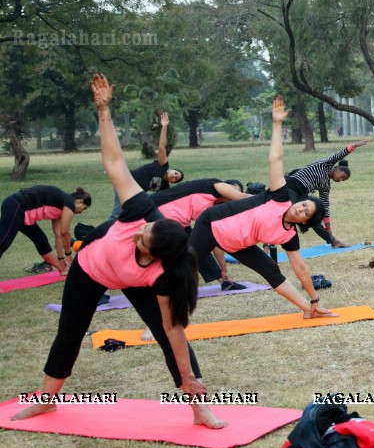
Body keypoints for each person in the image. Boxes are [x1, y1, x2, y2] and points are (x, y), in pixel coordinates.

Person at [13, 74, 224, 429]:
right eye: (144, 228)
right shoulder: (141, 210)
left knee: (165, 333)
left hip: (132, 280)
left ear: (156, 257)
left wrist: (189, 379)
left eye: (142, 239)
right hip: (90, 267)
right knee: (69, 329)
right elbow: (114, 162)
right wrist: (103, 111)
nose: (138, 232)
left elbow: (174, 331)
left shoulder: (162, 276)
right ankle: (46, 401)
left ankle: (199, 407)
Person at [187, 96, 338, 319]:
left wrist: (315, 299)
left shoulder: (289, 236)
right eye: (303, 205)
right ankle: (157, 321)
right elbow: (275, 159)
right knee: (185, 270)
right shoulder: (280, 196)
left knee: (272, 271)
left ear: (305, 222)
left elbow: (301, 269)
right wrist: (277, 125)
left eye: (305, 213)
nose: (300, 209)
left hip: (239, 243)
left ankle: (308, 308)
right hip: (212, 225)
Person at [151, 179, 250, 290]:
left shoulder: (213, 208)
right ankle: (163, 284)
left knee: (198, 246)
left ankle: (224, 281)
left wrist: (224, 270)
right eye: (233, 190)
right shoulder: (212, 187)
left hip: (176, 218)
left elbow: (212, 241)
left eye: (236, 193)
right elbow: (245, 198)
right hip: (159, 212)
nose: (233, 194)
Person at [285, 140, 369, 248]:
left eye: (343, 180)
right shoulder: (325, 165)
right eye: (342, 176)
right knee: (282, 214)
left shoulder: (325, 186)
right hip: (290, 186)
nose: (341, 180)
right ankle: (268, 246)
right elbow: (339, 155)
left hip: (301, 195)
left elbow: (325, 206)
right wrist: (354, 146)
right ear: (337, 169)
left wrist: (328, 229)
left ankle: (333, 241)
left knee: (313, 217)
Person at [0, 186, 91, 274]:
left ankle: (63, 269)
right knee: (3, 242)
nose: (81, 212)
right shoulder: (69, 204)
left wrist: (62, 261)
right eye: (84, 208)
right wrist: (68, 255)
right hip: (16, 205)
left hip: (23, 212)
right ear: (80, 202)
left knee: (41, 240)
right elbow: (65, 233)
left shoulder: (62, 205)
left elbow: (59, 235)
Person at [111, 112, 184, 217]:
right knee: (117, 215)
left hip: (134, 194)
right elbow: (162, 146)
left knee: (129, 216)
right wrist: (164, 127)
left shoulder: (164, 187)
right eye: (176, 173)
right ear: (172, 169)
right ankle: (100, 233)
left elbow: (170, 200)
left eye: (176, 179)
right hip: (125, 181)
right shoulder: (162, 165)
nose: (174, 176)